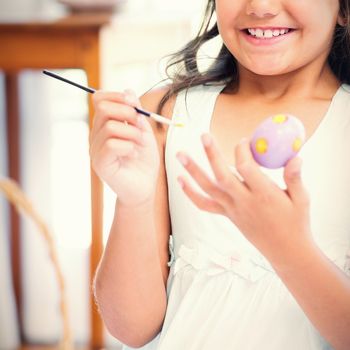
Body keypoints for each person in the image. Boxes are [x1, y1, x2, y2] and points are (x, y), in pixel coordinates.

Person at [89, 1, 350, 349]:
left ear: (344, 9)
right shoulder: (162, 115)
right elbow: (131, 328)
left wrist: (287, 246)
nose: (260, 6)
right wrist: (133, 201)